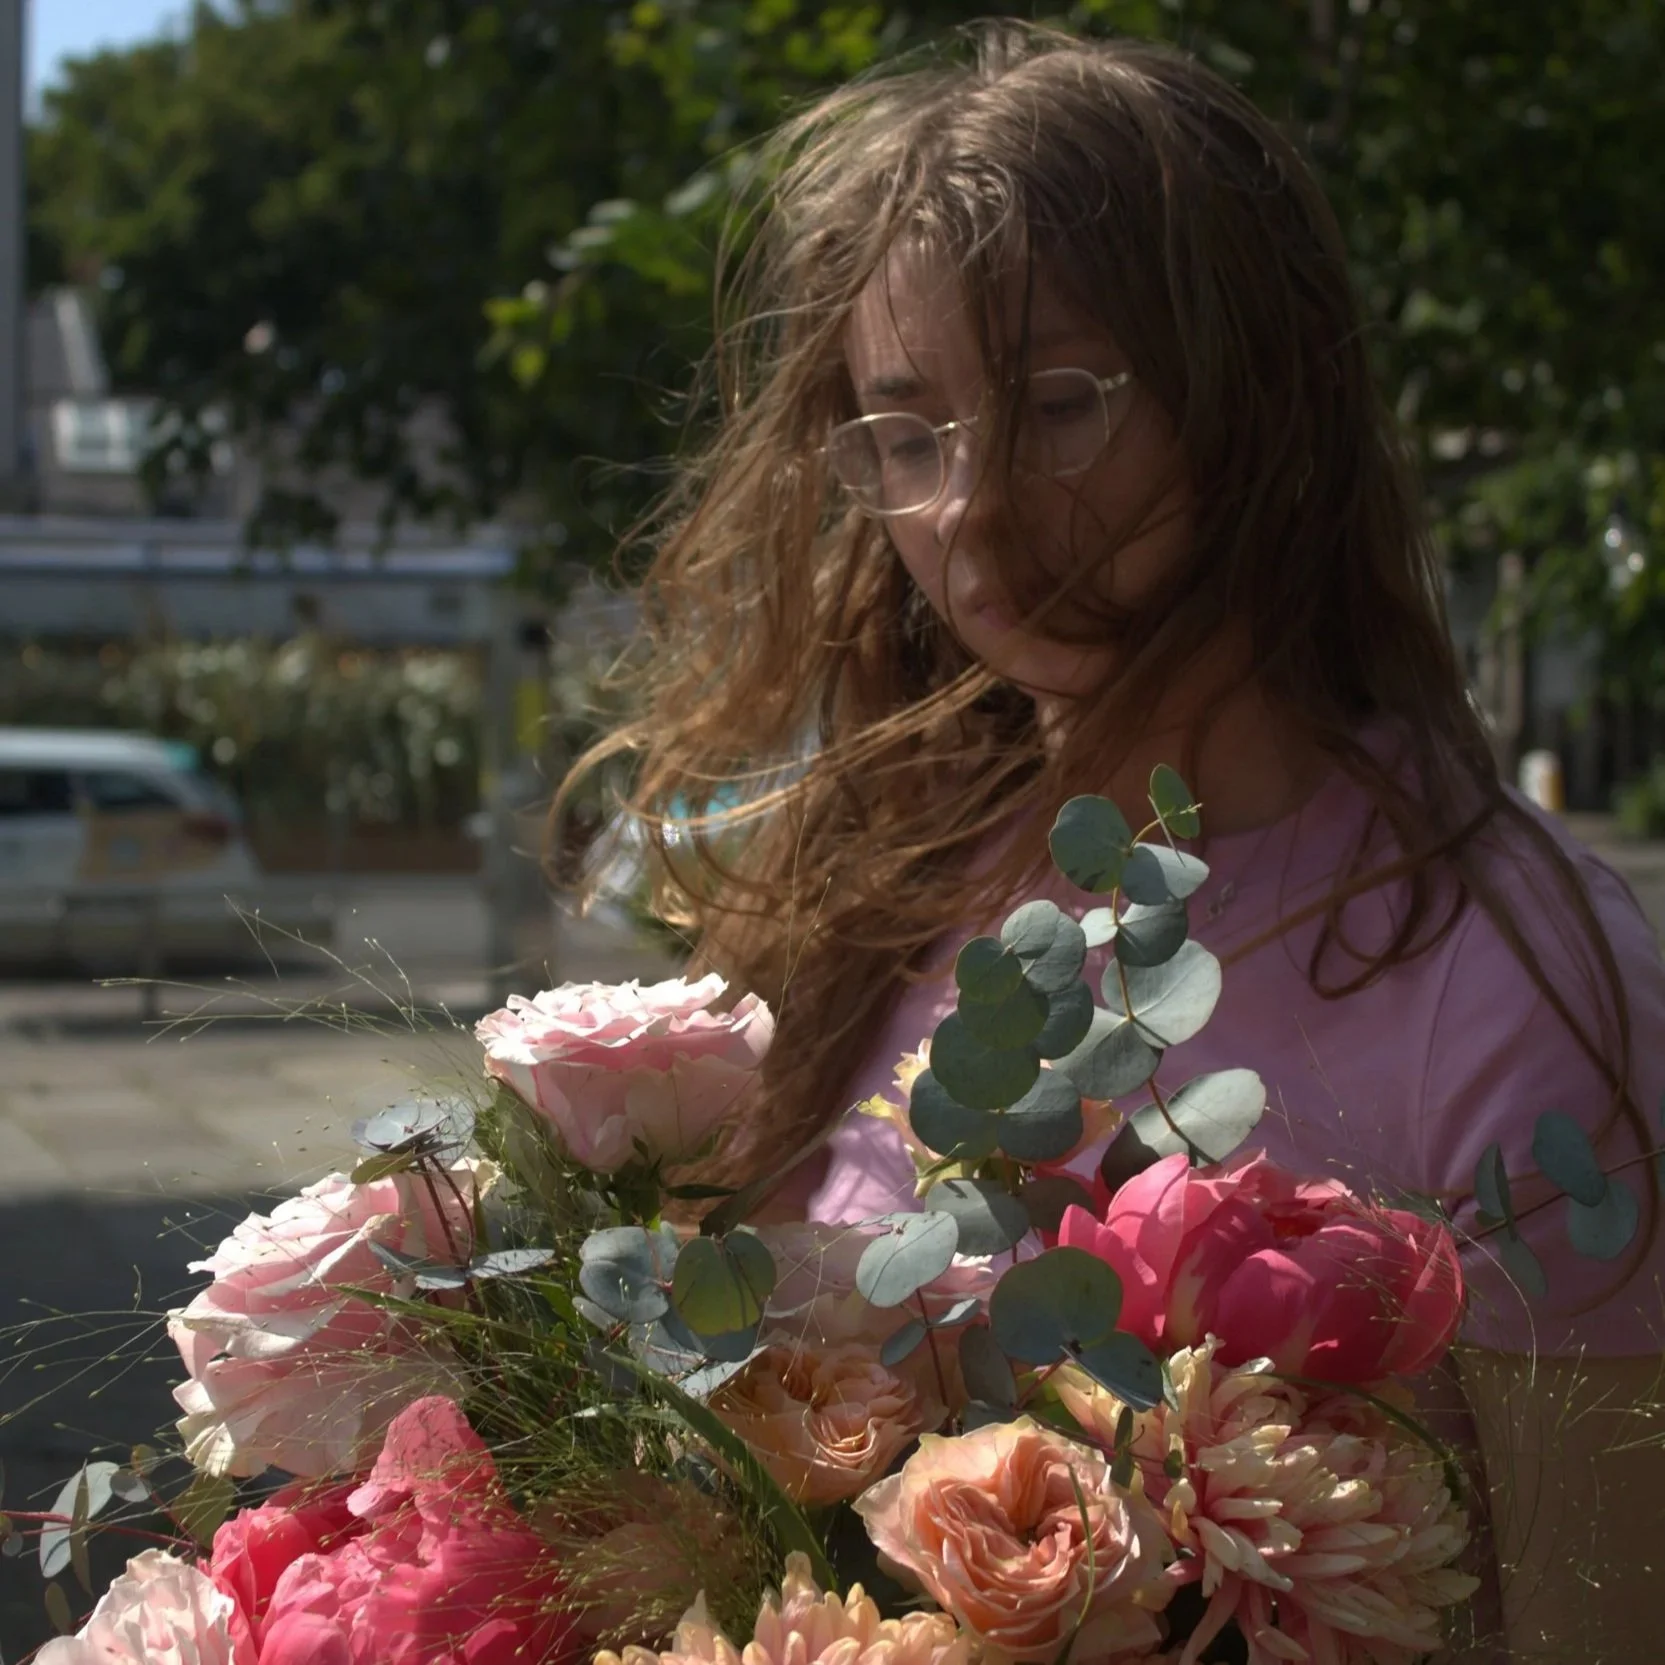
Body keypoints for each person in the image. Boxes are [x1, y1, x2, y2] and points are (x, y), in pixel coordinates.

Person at [565, 23, 1665, 1660]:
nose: (971, 511)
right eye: (907, 431)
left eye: (1057, 407)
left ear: (1254, 394)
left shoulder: (1513, 990)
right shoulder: (885, 873)